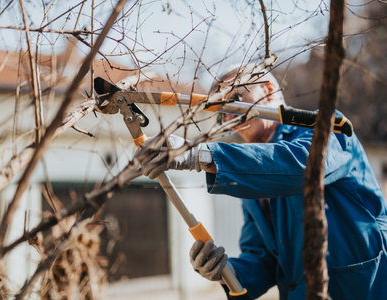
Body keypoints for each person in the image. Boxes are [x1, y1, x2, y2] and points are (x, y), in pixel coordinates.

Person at [141, 72, 387, 299]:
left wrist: (201, 155)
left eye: (235, 99)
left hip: (363, 289)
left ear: (268, 90)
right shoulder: (251, 177)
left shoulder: (329, 126)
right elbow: (262, 260)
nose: (228, 117)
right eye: (220, 111)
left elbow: (301, 166)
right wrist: (227, 271)